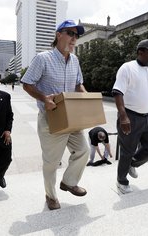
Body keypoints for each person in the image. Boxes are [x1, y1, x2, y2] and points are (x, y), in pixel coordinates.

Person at [21, 20, 89, 210]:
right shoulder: (43, 59)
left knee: (84, 150)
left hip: (72, 116)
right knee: (51, 162)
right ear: (59, 34)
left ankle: (68, 182)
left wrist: (84, 94)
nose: (74, 39)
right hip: (51, 117)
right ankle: (51, 196)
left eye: (77, 35)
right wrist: (44, 98)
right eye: (70, 33)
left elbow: (78, 83)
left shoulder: (75, 60)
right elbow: (27, 83)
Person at [112, 39, 148, 194]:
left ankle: (133, 163)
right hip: (131, 117)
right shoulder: (127, 68)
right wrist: (123, 117)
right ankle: (121, 181)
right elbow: (117, 92)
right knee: (127, 151)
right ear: (140, 51)